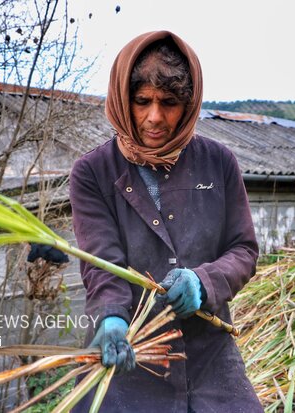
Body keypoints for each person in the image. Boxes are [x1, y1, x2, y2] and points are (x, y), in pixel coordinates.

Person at [69, 30, 263, 413]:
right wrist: (111, 318)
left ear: (188, 105)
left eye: (169, 103)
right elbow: (101, 262)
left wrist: (203, 283)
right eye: (142, 102)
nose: (154, 117)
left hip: (209, 352)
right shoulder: (93, 172)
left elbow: (243, 250)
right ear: (124, 100)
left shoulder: (218, 163)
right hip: (132, 351)